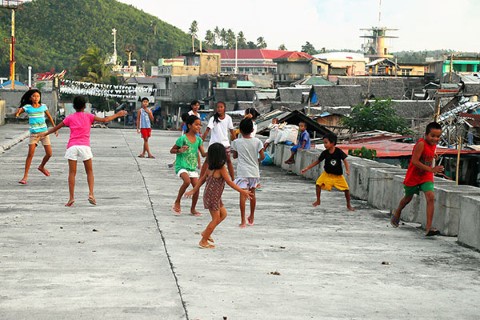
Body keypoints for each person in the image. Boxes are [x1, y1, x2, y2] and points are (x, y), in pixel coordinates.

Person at [39, 96, 127, 207]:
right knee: (89, 172)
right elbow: (105, 120)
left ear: (74, 106)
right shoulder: (89, 116)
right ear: (84, 106)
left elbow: (56, 128)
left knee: (72, 173)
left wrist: (45, 134)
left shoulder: (70, 118)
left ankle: (71, 198)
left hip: (72, 147)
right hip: (85, 146)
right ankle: (91, 194)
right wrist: (118, 114)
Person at [185, 143, 252, 249]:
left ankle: (206, 232)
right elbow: (229, 182)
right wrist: (242, 191)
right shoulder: (221, 168)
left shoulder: (210, 168)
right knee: (215, 219)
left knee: (223, 214)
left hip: (213, 195)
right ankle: (203, 241)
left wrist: (194, 190)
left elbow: (202, 179)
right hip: (214, 197)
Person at [390, 122, 444, 236]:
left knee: (430, 197)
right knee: (407, 198)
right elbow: (415, 161)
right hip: (414, 175)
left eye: (438, 136)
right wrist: (431, 170)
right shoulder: (421, 144)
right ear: (426, 135)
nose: (435, 139)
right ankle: (398, 211)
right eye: (432, 136)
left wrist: (433, 156)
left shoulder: (433, 144)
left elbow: (428, 153)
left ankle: (429, 228)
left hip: (426, 176)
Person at [301, 132, 354, 211]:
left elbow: (345, 160)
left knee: (346, 190)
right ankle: (318, 200)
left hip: (338, 176)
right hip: (327, 174)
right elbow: (317, 161)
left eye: (326, 143)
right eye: (324, 143)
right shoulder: (325, 153)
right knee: (318, 184)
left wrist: (347, 170)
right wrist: (307, 168)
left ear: (332, 143)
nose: (324, 145)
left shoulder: (338, 151)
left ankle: (348, 205)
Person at [15, 89, 58, 185]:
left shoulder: (43, 106)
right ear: (30, 98)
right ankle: (25, 177)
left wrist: (55, 128)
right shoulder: (27, 107)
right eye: (34, 96)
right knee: (30, 155)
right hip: (34, 134)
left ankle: (41, 166)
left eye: (38, 96)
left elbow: (50, 117)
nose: (36, 98)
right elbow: (18, 112)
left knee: (49, 153)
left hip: (44, 133)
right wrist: (17, 113)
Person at [231, 118, 265, 228]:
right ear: (252, 129)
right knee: (252, 195)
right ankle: (252, 216)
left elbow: (235, 156)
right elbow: (262, 156)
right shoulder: (258, 141)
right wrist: (256, 161)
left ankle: (243, 221)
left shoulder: (236, 142)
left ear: (240, 130)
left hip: (242, 171)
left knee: (242, 195)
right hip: (254, 171)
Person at [170, 115, 206, 216]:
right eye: (196, 125)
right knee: (187, 181)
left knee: (196, 187)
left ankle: (193, 209)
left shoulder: (199, 140)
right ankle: (177, 201)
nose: (199, 127)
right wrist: (179, 150)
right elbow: (172, 150)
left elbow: (203, 154)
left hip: (191, 167)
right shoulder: (183, 139)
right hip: (181, 166)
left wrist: (213, 151)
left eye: (200, 125)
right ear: (189, 126)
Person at [201, 101, 236, 180]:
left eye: (221, 107)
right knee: (207, 161)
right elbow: (207, 130)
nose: (219, 109)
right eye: (218, 107)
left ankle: (233, 179)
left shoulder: (228, 118)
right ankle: (201, 177)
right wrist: (201, 141)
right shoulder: (213, 119)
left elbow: (232, 132)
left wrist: (236, 143)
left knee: (228, 161)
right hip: (214, 144)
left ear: (224, 108)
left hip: (225, 144)